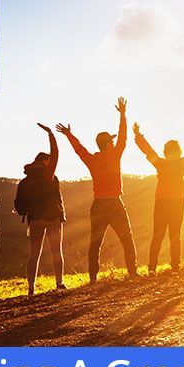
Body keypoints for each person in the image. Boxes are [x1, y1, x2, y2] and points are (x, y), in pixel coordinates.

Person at [56, 97, 137, 282]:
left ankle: (93, 279)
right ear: (109, 144)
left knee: (95, 244)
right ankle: (133, 274)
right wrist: (123, 115)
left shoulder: (92, 160)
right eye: (112, 141)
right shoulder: (115, 155)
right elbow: (123, 136)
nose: (114, 143)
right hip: (115, 202)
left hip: (98, 204)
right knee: (127, 239)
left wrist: (69, 134)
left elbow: (79, 149)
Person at [133, 107, 184, 274]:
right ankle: (175, 267)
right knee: (175, 235)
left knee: (158, 235)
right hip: (177, 201)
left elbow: (148, 151)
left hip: (161, 202)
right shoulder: (183, 163)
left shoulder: (161, 163)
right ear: (177, 152)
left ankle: (152, 268)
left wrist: (138, 137)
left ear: (166, 153)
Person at [15, 123, 67, 297]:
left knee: (34, 255)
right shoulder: (47, 174)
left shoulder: (24, 181)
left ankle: (31, 288)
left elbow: (18, 205)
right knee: (56, 252)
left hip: (35, 219)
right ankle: (59, 284)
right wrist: (51, 135)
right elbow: (56, 155)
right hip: (52, 218)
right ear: (45, 162)